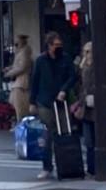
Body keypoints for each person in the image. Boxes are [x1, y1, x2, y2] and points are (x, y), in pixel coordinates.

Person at [29, 31, 77, 182]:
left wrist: (64, 89)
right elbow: (34, 81)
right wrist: (32, 102)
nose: (58, 47)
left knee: (64, 133)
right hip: (45, 101)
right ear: (49, 46)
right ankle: (47, 166)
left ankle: (66, 165)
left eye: (60, 45)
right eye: (55, 45)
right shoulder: (41, 60)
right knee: (48, 135)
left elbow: (72, 76)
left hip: (61, 100)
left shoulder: (66, 58)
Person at [74, 41, 95, 176]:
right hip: (85, 105)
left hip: (96, 105)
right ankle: (91, 168)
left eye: (88, 51)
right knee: (88, 140)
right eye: (84, 51)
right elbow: (79, 85)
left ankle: (95, 167)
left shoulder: (99, 65)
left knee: (96, 137)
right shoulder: (82, 67)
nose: (85, 54)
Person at [4, 35, 33, 121]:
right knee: (14, 103)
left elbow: (22, 67)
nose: (16, 43)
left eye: (17, 41)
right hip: (17, 82)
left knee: (20, 106)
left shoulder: (24, 52)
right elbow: (17, 65)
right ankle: (18, 122)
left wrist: (9, 73)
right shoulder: (21, 52)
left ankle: (21, 123)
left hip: (21, 82)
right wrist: (9, 68)